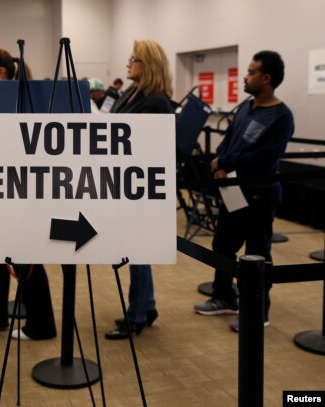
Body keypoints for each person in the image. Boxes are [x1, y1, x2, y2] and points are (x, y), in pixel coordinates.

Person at [193, 51, 294, 332]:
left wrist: (223, 162)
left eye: (250, 73)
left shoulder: (281, 116)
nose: (245, 78)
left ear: (266, 78)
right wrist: (219, 164)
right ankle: (224, 297)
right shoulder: (245, 108)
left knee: (258, 254)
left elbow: (264, 158)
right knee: (223, 246)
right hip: (233, 190)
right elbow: (228, 142)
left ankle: (258, 312)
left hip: (259, 195)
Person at [0, 48, 57, 341]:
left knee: (23, 255)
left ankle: (41, 325)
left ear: (0, 74)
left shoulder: (9, 103)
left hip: (16, 190)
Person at [105, 40, 174, 340]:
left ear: (148, 65)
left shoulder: (157, 102)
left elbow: (150, 148)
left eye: (134, 59)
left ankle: (137, 315)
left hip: (139, 184)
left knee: (137, 250)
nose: (128, 63)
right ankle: (147, 306)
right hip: (121, 180)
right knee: (134, 250)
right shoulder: (128, 94)